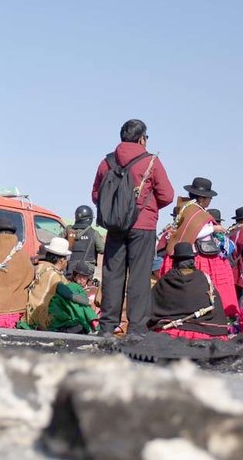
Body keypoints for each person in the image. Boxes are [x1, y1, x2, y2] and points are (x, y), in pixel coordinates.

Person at [91, 119, 174, 338]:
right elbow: (167, 195)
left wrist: (118, 209)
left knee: (112, 275)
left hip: (115, 226)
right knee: (139, 277)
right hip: (143, 226)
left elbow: (96, 195)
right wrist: (145, 206)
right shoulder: (151, 162)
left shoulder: (107, 162)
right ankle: (136, 328)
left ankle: (107, 326)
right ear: (142, 138)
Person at [162, 177, 238, 319]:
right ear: (202, 198)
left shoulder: (187, 208)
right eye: (209, 198)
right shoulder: (194, 211)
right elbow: (195, 233)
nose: (210, 201)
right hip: (198, 256)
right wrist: (214, 228)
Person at [150, 242, 230, 340]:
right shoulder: (203, 279)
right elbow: (217, 310)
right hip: (204, 333)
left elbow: (150, 308)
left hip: (170, 332)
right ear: (192, 260)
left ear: (175, 260)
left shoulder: (166, 280)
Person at [21, 237, 71, 330]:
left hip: (28, 312)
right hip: (41, 316)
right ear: (62, 260)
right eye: (67, 258)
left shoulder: (39, 267)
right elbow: (68, 294)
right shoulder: (55, 276)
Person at [69, 205, 104, 274]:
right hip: (87, 270)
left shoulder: (67, 230)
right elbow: (102, 249)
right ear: (89, 219)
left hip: (70, 267)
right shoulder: (94, 233)